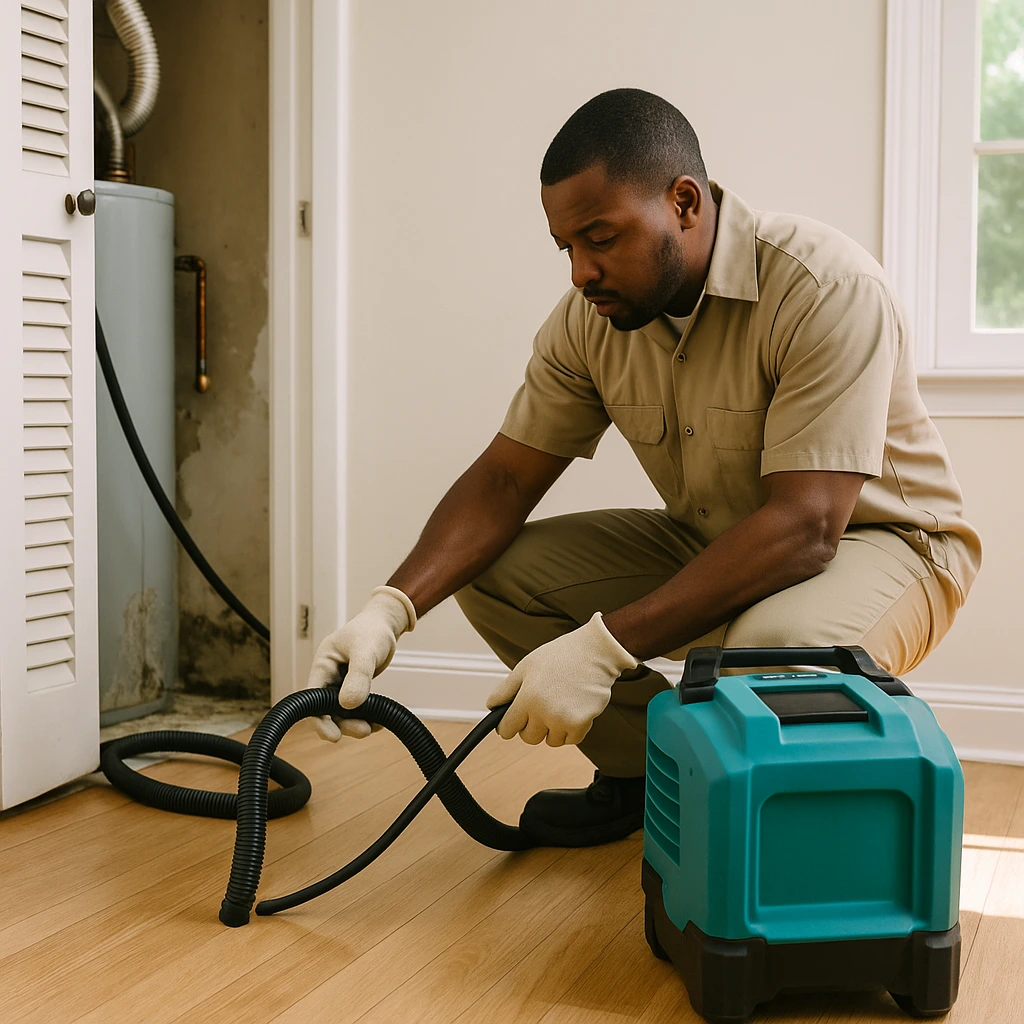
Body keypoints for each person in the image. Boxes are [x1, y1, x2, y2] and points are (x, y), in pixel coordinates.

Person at [306, 88, 982, 848]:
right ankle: (644, 779)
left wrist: (604, 647)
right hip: (717, 538)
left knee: (767, 655)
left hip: (884, 544)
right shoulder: (590, 322)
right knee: (497, 573)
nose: (579, 272)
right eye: (566, 246)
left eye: (600, 237)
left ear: (684, 204)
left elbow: (806, 526)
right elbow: (504, 481)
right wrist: (390, 609)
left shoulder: (824, 287)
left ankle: (776, 839)